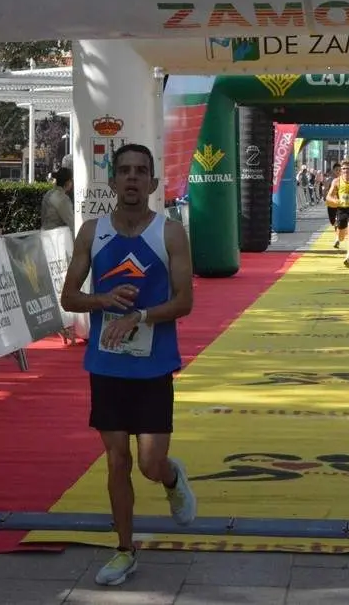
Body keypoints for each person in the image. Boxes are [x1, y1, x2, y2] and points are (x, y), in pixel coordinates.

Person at [59, 143, 197, 587]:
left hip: (153, 365)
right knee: (116, 460)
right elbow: (69, 297)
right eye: (125, 171)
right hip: (107, 365)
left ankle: (173, 479)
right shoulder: (92, 231)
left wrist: (140, 315)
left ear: (153, 183)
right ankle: (125, 549)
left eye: (141, 172)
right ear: (113, 181)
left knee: (149, 463)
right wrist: (101, 300)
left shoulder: (170, 233)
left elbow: (184, 302)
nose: (133, 178)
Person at [41, 166, 75, 233]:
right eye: (72, 180)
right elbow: (71, 223)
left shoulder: (49, 193)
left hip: (45, 235)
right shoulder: (62, 198)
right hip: (56, 237)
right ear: (68, 182)